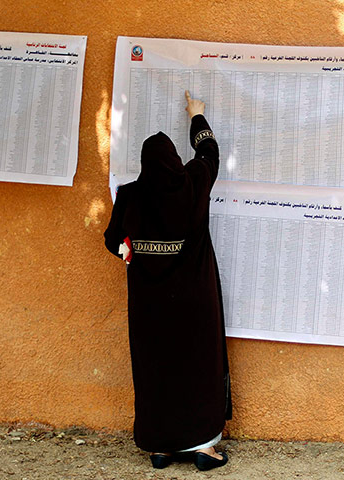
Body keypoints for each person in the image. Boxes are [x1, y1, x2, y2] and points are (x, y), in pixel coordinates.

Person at [104, 91, 232, 471]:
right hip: (194, 301)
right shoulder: (191, 184)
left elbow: (113, 241)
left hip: (149, 305)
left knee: (156, 368)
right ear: (174, 161)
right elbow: (210, 154)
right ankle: (203, 448)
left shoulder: (130, 195)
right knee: (198, 366)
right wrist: (197, 116)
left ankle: (161, 447)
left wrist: (130, 250)